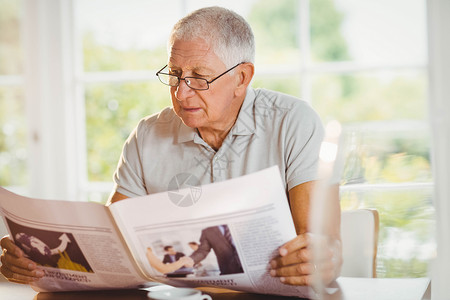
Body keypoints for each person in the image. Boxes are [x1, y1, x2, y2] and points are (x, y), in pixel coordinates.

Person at [1, 6, 342, 287]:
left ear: (241, 78)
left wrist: (322, 257)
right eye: (175, 74)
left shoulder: (294, 122)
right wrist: (39, 263)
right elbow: (114, 244)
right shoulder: (147, 135)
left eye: (199, 77)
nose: (181, 92)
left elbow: (321, 242)